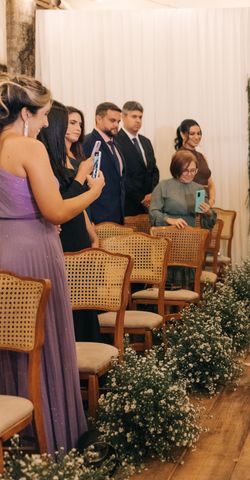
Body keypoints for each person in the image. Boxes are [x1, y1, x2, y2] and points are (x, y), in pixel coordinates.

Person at [0, 73, 104, 452]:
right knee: (42, 343)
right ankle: (51, 436)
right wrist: (91, 192)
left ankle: (14, 438)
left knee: (8, 345)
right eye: (43, 115)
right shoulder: (29, 148)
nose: (47, 123)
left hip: (4, 249)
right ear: (26, 113)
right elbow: (56, 210)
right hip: (34, 251)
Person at [38, 101, 101, 343]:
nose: (75, 127)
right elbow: (59, 205)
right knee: (68, 298)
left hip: (79, 232)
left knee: (86, 298)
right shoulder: (50, 163)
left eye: (78, 123)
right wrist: (82, 177)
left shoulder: (74, 160)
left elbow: (80, 204)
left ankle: (93, 355)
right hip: (62, 233)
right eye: (70, 122)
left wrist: (91, 231)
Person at [149, 149, 216, 288]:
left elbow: (207, 223)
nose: (190, 174)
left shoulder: (198, 189)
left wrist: (208, 212)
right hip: (167, 242)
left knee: (188, 284)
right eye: (186, 171)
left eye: (193, 170)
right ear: (176, 169)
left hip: (189, 244)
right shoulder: (163, 186)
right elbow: (153, 212)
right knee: (168, 283)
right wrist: (169, 220)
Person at [82, 102, 126, 224]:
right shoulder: (88, 143)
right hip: (98, 215)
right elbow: (86, 181)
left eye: (118, 121)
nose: (116, 125)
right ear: (99, 119)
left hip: (118, 213)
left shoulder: (116, 143)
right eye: (112, 120)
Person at [115, 101, 159, 216]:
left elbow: (154, 170)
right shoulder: (115, 141)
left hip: (150, 205)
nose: (138, 120)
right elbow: (122, 176)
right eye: (134, 116)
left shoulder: (146, 142)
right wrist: (142, 198)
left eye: (140, 117)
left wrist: (152, 194)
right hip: (128, 205)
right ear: (123, 117)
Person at [174, 119, 215, 208]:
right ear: (182, 134)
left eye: (199, 133)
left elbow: (210, 183)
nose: (197, 137)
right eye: (192, 134)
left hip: (206, 206)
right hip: (189, 207)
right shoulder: (179, 156)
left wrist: (211, 201)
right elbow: (179, 186)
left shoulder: (202, 156)